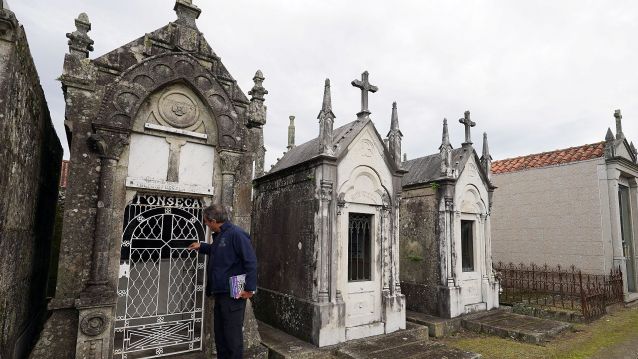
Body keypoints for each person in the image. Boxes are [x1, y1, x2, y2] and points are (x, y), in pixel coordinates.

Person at [188, 204, 257, 359]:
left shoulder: (237, 234)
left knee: (232, 337)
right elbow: (219, 250)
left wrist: (249, 289)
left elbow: (250, 261)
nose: (205, 224)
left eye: (206, 221)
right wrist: (202, 246)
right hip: (220, 292)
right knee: (220, 336)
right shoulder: (220, 235)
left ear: (213, 221)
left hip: (234, 291)